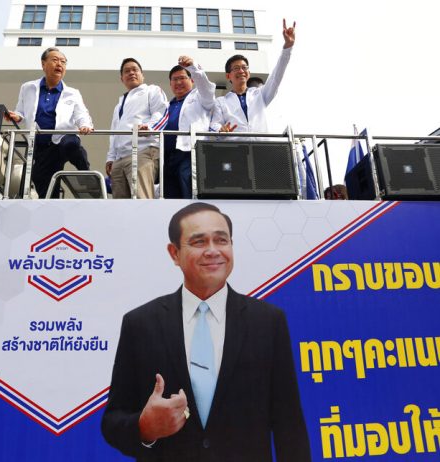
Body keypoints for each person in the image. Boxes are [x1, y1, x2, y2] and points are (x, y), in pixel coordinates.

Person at [101, 202, 311, 462]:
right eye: (199, 242)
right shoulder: (140, 324)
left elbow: (289, 424)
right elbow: (113, 420)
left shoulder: (268, 321)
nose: (212, 251)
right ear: (174, 253)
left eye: (221, 240)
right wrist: (145, 428)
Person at [6, 47, 93, 198]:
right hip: (42, 145)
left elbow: (81, 114)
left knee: (71, 145)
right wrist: (17, 116)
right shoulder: (28, 88)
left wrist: (85, 125)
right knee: (43, 183)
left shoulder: (72, 93)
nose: (59, 64)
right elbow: (21, 111)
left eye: (63, 62)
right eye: (55, 60)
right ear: (43, 64)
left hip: (63, 138)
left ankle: (86, 174)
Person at [210, 19, 296, 138]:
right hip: (235, 147)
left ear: (249, 73)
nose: (241, 71)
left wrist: (288, 47)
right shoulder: (221, 101)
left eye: (244, 67)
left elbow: (276, 77)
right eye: (236, 68)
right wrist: (221, 129)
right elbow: (214, 124)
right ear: (228, 75)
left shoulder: (260, 94)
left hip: (261, 146)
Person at [106, 58, 168, 199]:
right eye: (127, 71)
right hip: (119, 159)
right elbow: (114, 132)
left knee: (141, 199)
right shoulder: (119, 104)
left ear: (142, 74)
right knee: (120, 204)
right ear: (122, 78)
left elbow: (162, 113)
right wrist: (110, 158)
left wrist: (150, 127)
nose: (131, 73)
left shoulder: (152, 90)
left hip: (143, 151)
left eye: (135, 70)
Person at [163, 57, 216, 199]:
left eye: (182, 78)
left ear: (192, 80)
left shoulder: (200, 97)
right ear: (170, 83)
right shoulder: (167, 105)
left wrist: (193, 67)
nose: (178, 82)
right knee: (170, 196)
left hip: (189, 152)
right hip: (167, 156)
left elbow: (206, 87)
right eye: (174, 79)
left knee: (189, 191)